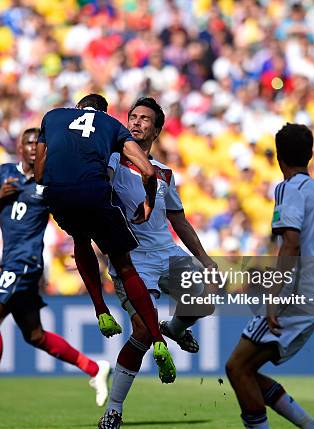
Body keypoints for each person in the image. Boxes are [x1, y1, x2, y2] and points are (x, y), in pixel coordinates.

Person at [0, 128, 111, 429]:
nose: (32, 149)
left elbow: (72, 211)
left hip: (24, 263)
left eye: (37, 145)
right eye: (27, 143)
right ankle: (95, 368)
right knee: (34, 335)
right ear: (18, 147)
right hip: (10, 261)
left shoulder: (48, 183)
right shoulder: (3, 173)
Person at [35, 93, 176, 384]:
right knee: (124, 264)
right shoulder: (111, 125)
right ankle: (158, 338)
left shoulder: (53, 116)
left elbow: (40, 168)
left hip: (57, 195)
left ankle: (100, 310)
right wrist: (149, 201)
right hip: (94, 194)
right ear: (104, 112)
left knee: (80, 239)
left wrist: (49, 187)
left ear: (77, 109)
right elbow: (148, 171)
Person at [98, 97, 217, 428]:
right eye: (132, 117)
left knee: (206, 296)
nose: (136, 122)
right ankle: (114, 407)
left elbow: (179, 221)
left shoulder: (164, 174)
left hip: (167, 252)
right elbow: (99, 195)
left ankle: (175, 328)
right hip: (132, 257)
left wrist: (205, 259)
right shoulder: (113, 161)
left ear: (157, 129)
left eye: (144, 119)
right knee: (140, 331)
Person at [225, 124, 314, 429]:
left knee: (237, 368)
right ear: (311, 154)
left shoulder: (287, 188)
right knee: (247, 370)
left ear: (279, 157)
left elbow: (290, 243)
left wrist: (274, 296)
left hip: (293, 296)